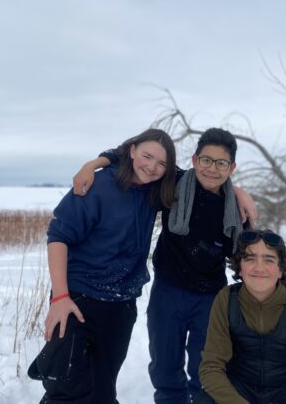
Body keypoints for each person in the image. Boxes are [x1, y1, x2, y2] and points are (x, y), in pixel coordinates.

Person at [73, 128, 254, 404]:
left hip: (212, 297)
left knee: (206, 371)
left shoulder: (236, 210)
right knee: (165, 369)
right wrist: (92, 165)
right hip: (168, 292)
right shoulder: (174, 184)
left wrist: (285, 284)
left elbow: (252, 256)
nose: (212, 169)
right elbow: (125, 157)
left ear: (232, 167)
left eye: (221, 163)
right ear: (194, 160)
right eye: (206, 160)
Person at [27, 128, 177, 404]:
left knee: (103, 391)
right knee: (66, 391)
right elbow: (59, 238)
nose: (152, 167)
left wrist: (236, 192)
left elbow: (201, 178)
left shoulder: (155, 190)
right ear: (131, 151)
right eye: (146, 156)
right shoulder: (97, 186)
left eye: (161, 164)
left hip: (121, 307)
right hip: (78, 302)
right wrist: (60, 297)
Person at [195, 229, 286, 404]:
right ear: (239, 267)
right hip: (239, 388)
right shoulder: (226, 299)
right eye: (250, 259)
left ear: (281, 271)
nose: (259, 267)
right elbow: (211, 368)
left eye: (269, 260)